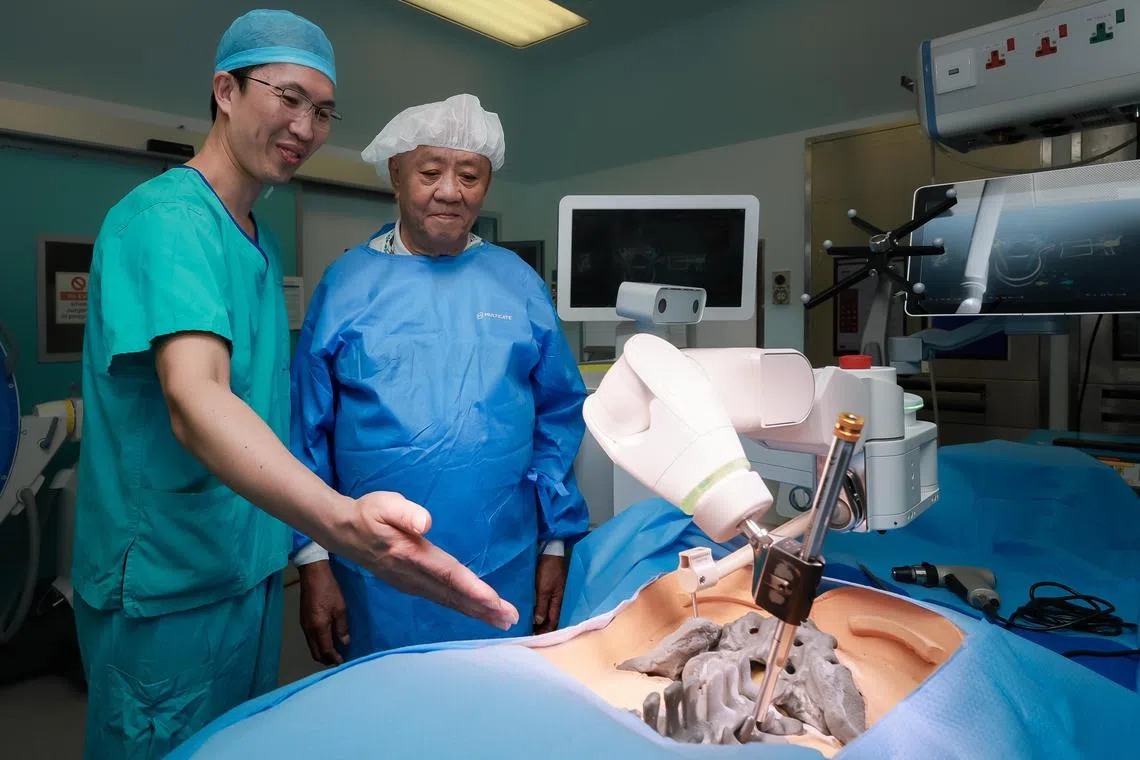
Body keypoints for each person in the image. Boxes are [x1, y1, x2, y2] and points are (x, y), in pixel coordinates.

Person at [72, 15, 516, 759]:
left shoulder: (256, 239)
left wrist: (297, 554)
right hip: (166, 583)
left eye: (323, 110)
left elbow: (269, 410)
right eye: (288, 97)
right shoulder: (167, 221)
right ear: (225, 89)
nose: (306, 126)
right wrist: (341, 530)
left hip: (242, 574)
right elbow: (197, 399)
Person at [290, 94, 590, 663]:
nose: (450, 190)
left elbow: (558, 415)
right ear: (396, 176)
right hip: (375, 570)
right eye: (430, 172)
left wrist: (556, 543)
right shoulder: (346, 286)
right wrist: (312, 562)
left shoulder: (516, 284)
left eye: (470, 175)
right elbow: (305, 431)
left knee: (495, 714)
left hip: (502, 560)